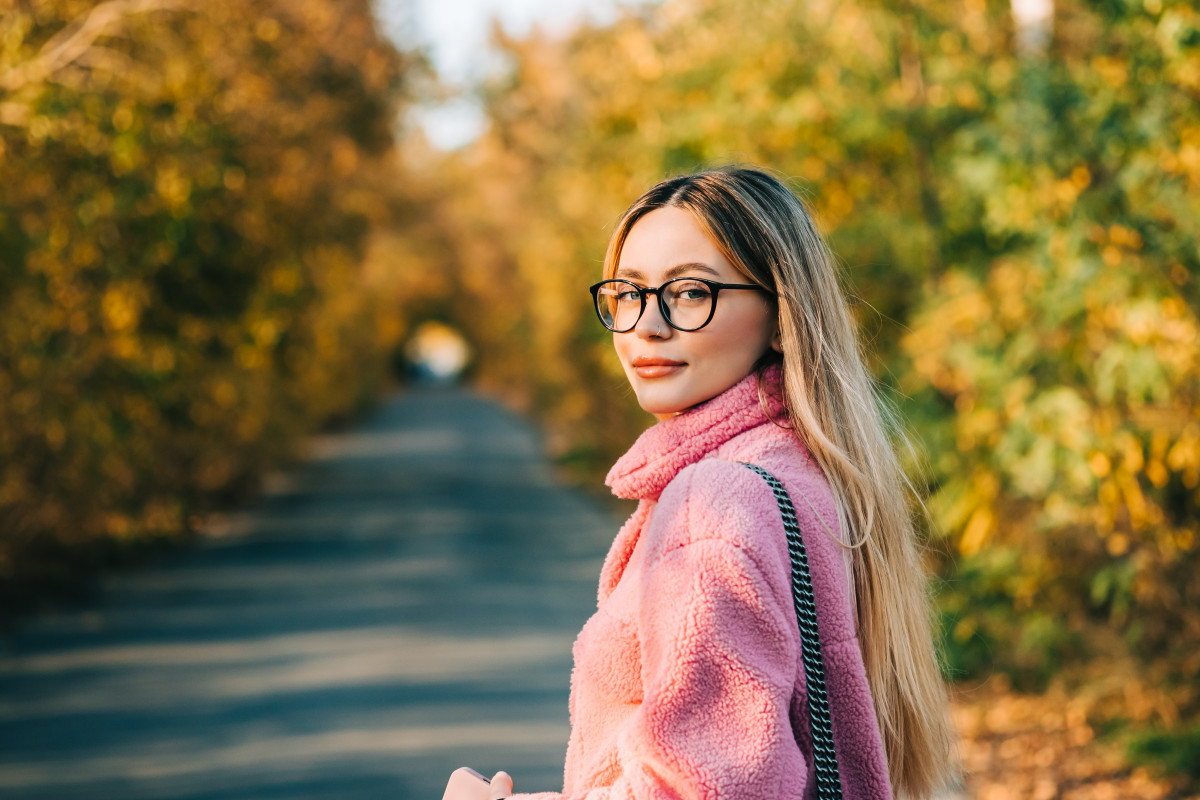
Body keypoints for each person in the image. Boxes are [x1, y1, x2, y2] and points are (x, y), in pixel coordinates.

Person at [473, 166, 957, 800]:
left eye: (691, 292)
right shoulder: (804, 471)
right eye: (628, 292)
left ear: (782, 316)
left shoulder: (717, 504)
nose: (646, 325)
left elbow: (706, 788)